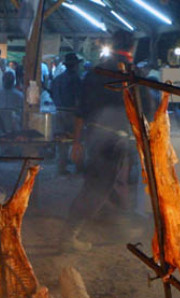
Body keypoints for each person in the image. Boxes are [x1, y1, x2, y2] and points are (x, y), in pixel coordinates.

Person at [63, 30, 149, 252]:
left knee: (108, 185)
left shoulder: (95, 72)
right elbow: (145, 114)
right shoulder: (134, 73)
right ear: (132, 48)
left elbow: (80, 111)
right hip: (119, 140)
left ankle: (115, 224)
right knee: (98, 187)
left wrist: (76, 141)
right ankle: (69, 235)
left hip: (96, 136)